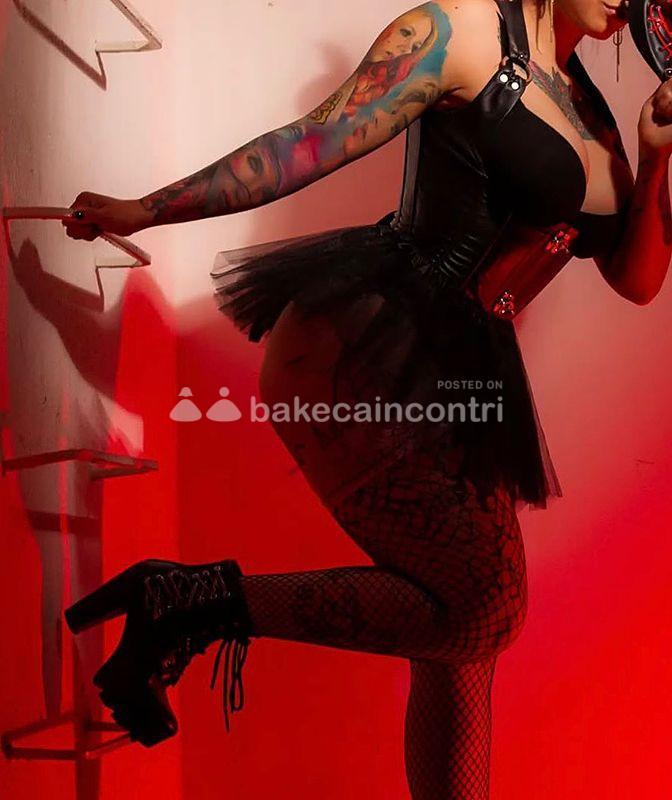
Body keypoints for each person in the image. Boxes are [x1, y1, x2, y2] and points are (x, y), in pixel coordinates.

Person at [61, 0, 672, 796]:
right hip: (366, 348)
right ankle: (188, 600)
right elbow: (305, 144)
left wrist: (655, 158)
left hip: (462, 375)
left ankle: (184, 600)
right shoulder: (460, 32)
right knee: (484, 609)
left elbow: (637, 280)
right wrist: (148, 208)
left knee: (462, 649)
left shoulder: (591, 108)